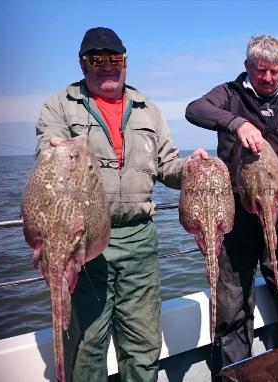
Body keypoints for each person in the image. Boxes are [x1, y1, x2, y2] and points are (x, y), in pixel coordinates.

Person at [35, 27, 208, 381]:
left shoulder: (148, 110)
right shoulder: (60, 105)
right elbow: (46, 154)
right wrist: (54, 149)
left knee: (143, 342)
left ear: (126, 62)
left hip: (139, 241)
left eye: (115, 58)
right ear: (83, 64)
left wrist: (191, 168)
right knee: (86, 343)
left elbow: (167, 165)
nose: (107, 66)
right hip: (82, 242)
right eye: (97, 59)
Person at [185, 35, 278, 380]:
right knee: (232, 300)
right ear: (248, 67)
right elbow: (194, 109)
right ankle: (235, 371)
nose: (268, 78)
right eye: (261, 71)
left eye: (275, 72)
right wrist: (236, 122)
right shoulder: (230, 94)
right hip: (236, 215)